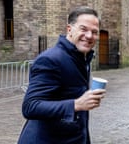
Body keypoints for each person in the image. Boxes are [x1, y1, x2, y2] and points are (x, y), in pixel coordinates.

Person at [17, 6, 106, 144]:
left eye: (94, 32)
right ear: (69, 29)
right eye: (83, 29)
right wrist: (76, 104)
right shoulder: (51, 60)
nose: (89, 36)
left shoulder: (82, 58)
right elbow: (30, 106)